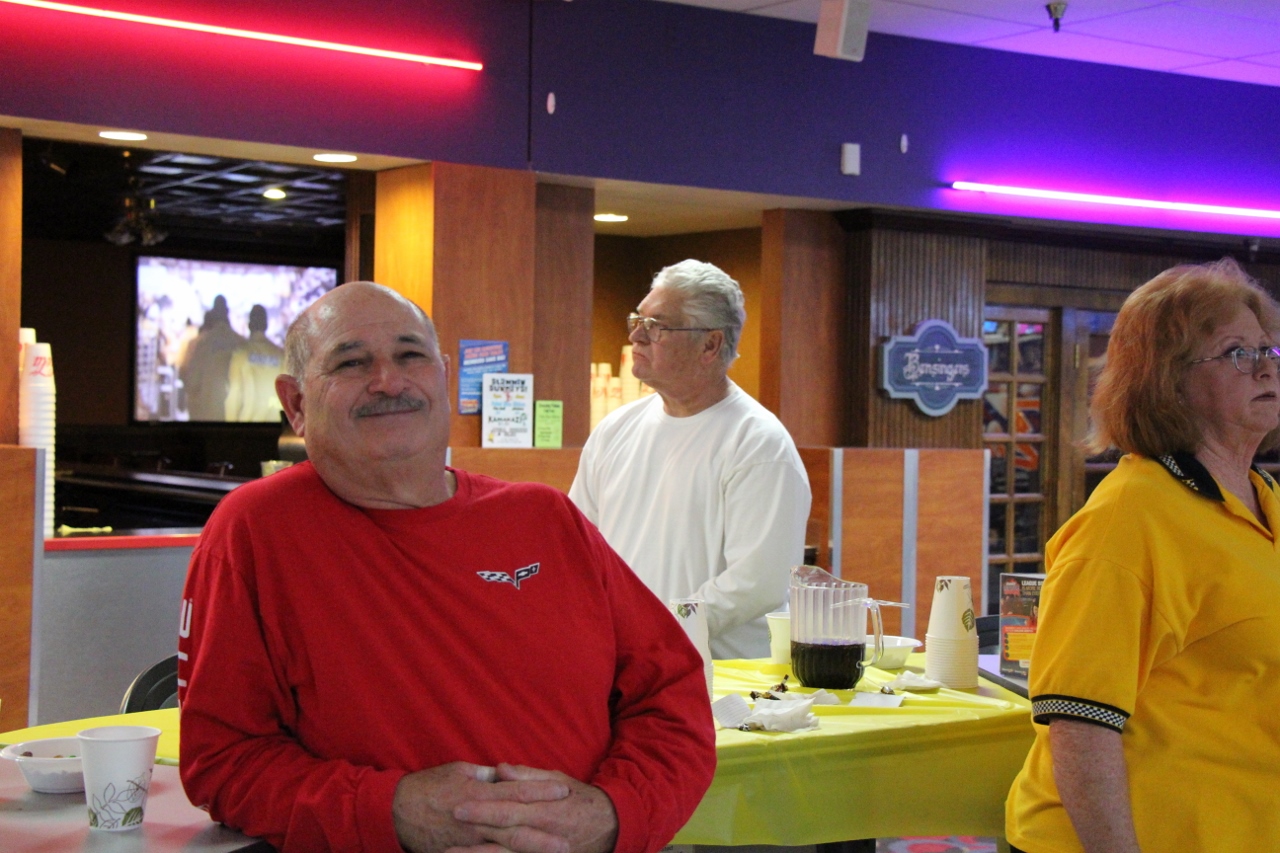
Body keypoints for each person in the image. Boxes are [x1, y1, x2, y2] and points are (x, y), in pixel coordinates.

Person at [177, 281, 717, 853]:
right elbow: (222, 762)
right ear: (296, 403)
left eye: (410, 355)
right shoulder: (256, 533)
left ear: (445, 377)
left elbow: (671, 702)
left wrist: (612, 814)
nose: (389, 381)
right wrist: (389, 811)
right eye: (351, 363)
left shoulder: (546, 519)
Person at [1005, 258, 1280, 853]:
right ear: (1168, 381)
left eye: (1267, 349)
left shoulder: (1265, 499)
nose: (1265, 367)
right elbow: (1079, 723)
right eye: (1236, 352)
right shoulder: (1128, 519)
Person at [569, 260, 811, 659]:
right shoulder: (615, 430)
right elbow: (578, 548)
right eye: (637, 320)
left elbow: (759, 582)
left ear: (710, 345)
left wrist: (657, 627)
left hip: (720, 676)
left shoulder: (758, 444)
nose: (635, 335)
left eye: (656, 326)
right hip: (625, 662)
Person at [181, 295, 245, 421]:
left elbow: (192, 383)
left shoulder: (202, 343)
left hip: (208, 420)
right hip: (237, 421)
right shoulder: (241, 343)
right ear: (227, 313)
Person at [224, 304, 285, 422]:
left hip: (249, 427)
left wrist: (229, 428)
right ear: (266, 325)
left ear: (249, 325)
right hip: (276, 426)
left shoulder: (241, 355)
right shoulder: (281, 355)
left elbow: (234, 396)